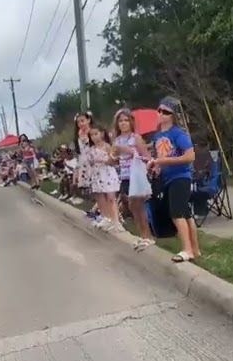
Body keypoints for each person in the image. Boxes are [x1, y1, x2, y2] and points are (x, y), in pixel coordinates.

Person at [148, 97, 201, 262]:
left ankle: (187, 250)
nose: (161, 114)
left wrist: (165, 161)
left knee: (177, 213)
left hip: (181, 177)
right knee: (186, 214)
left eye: (166, 112)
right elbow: (159, 158)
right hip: (167, 178)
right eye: (159, 110)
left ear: (173, 115)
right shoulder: (157, 136)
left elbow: (190, 156)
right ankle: (195, 249)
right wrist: (155, 166)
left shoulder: (178, 133)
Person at [113, 108, 154, 248]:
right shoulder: (117, 140)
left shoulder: (135, 138)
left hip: (136, 174)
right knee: (131, 206)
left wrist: (131, 152)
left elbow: (146, 157)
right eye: (121, 121)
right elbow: (115, 159)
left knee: (136, 204)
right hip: (124, 175)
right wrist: (114, 154)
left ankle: (147, 235)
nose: (123, 123)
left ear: (131, 122)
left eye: (126, 120)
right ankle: (142, 235)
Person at [85, 124, 122, 232]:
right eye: (92, 135)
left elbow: (114, 161)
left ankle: (116, 220)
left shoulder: (107, 146)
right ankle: (106, 217)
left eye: (96, 134)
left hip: (107, 172)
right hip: (97, 173)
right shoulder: (91, 149)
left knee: (110, 197)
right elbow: (90, 162)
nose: (94, 137)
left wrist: (104, 159)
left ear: (101, 133)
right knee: (101, 198)